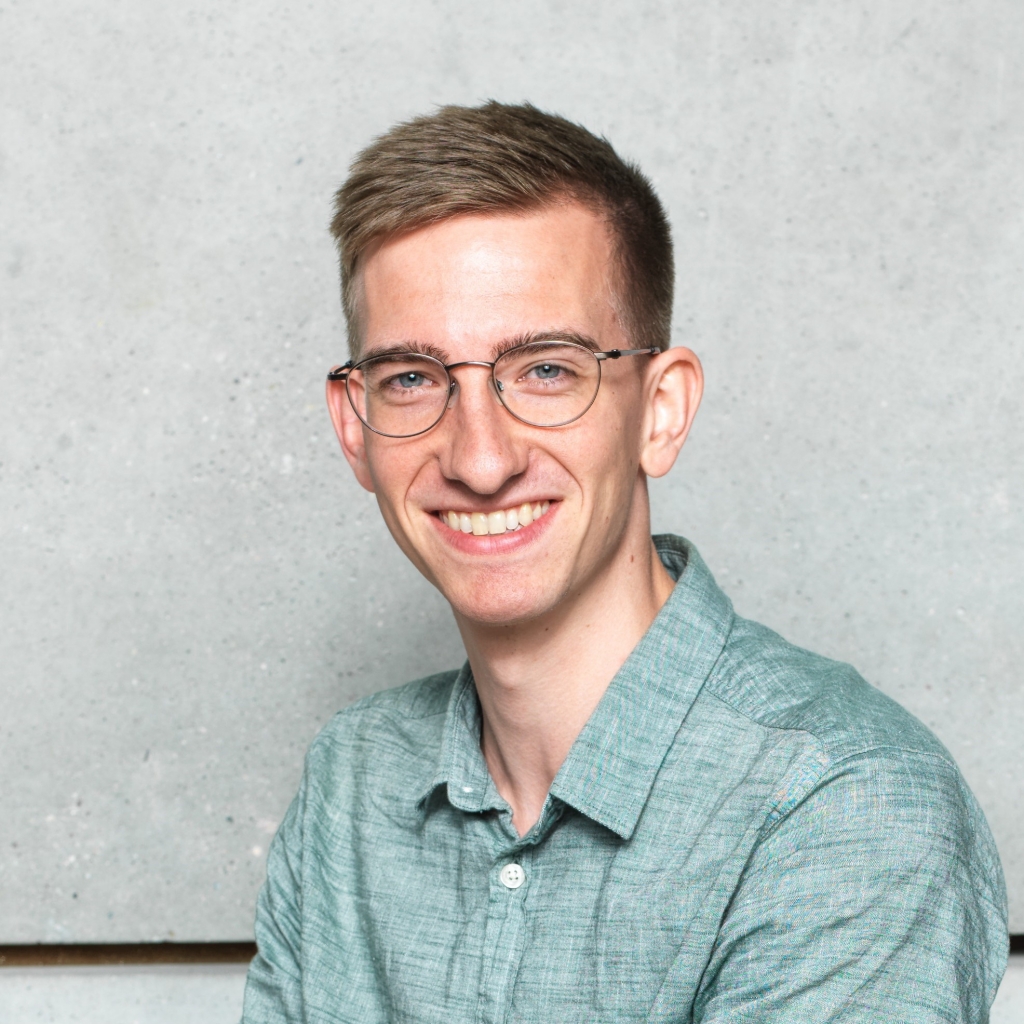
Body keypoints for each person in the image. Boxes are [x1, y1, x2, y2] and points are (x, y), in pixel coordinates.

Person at [242, 102, 1007, 1023]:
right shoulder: (351, 781)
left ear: (661, 411)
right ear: (353, 427)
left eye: (546, 370)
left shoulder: (849, 804)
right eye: (412, 378)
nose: (480, 460)